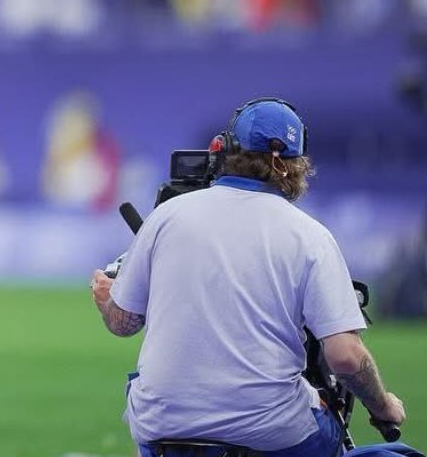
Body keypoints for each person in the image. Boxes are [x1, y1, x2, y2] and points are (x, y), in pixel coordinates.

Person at [90, 98, 407, 457]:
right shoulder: (310, 236)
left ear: (225, 151)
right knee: (326, 412)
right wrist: (385, 408)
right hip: (272, 434)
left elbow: (123, 323)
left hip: (162, 428)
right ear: (293, 164)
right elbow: (346, 358)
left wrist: (107, 301)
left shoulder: (166, 217)